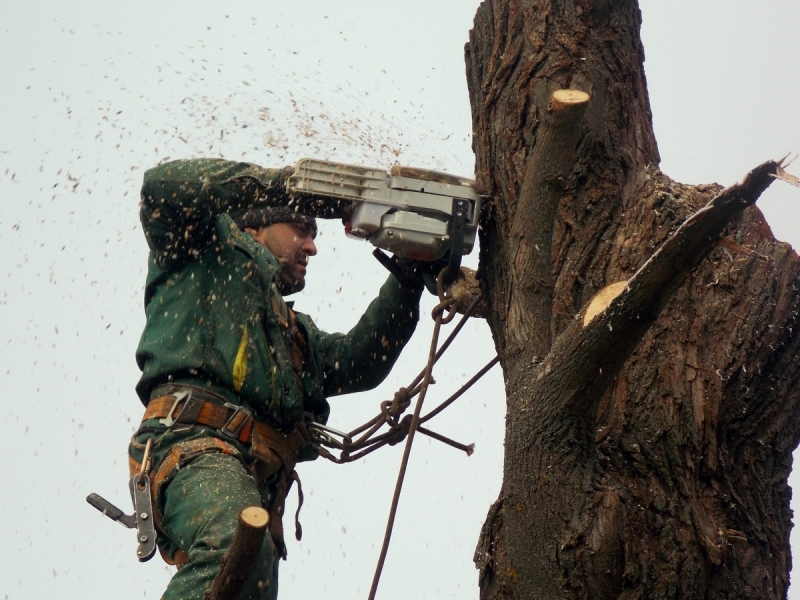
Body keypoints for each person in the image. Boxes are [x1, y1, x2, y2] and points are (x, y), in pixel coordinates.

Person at [128, 158, 425, 599]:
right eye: (301, 229)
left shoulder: (293, 334)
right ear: (254, 228)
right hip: (189, 445)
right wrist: (282, 185)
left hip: (251, 481)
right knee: (236, 541)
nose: (312, 247)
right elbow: (160, 188)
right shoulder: (202, 251)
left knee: (253, 562)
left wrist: (408, 275)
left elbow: (358, 361)